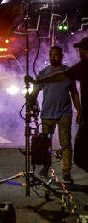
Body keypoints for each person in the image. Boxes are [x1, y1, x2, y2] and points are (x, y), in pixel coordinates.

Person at [26, 37, 88, 174]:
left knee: (65, 143)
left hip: (64, 113)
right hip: (47, 113)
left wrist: (78, 110)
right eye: (51, 55)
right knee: (45, 143)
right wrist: (31, 104)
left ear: (61, 56)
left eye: (55, 55)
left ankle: (66, 171)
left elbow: (74, 93)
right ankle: (46, 166)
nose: (53, 57)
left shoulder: (68, 71)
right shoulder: (44, 73)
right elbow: (35, 92)